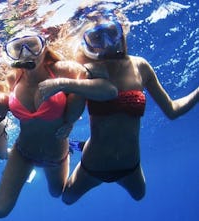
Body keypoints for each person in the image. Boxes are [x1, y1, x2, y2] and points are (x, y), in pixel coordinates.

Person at [37, 2, 199, 204]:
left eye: (111, 32)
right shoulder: (87, 70)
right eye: (96, 37)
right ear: (87, 42)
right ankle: (69, 151)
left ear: (121, 30)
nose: (106, 42)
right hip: (93, 165)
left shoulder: (140, 66)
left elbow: (172, 110)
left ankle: (80, 144)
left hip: (131, 166)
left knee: (140, 195)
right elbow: (71, 113)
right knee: (66, 199)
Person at [0, 29, 118, 218]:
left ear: (44, 47)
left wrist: (62, 84)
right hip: (22, 152)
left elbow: (110, 91)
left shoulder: (62, 69)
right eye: (17, 48)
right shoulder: (12, 78)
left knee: (56, 192)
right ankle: (16, 173)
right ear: (11, 54)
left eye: (32, 45)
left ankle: (73, 150)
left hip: (56, 155)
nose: (26, 53)